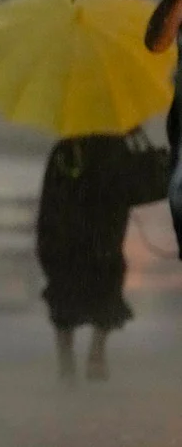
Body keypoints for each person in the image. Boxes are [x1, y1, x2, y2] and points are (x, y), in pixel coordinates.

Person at [38, 132, 167, 382]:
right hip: (103, 235)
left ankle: (68, 361)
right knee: (103, 289)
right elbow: (135, 189)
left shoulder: (66, 149)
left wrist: (46, 240)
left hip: (67, 236)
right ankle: (96, 355)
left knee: (66, 294)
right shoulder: (115, 148)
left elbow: (50, 201)